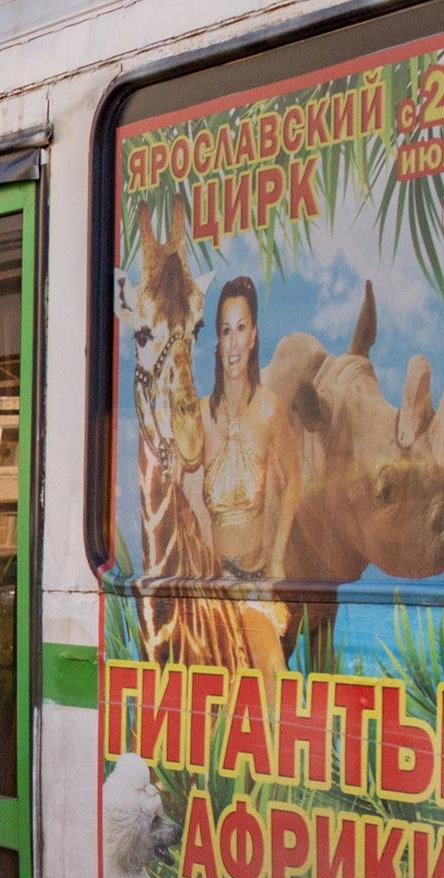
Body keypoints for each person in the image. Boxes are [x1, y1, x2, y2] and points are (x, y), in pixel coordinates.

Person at [192, 275, 300, 673]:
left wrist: (277, 559)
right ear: (218, 342)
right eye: (225, 331)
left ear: (253, 336)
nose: (233, 342)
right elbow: (176, 471)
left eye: (240, 329)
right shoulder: (202, 414)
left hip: (254, 586)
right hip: (207, 587)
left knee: (274, 679)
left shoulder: (270, 409)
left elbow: (294, 480)